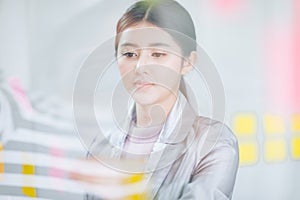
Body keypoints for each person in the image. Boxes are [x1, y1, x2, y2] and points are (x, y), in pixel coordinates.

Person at [72, 0, 239, 199]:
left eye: (158, 54)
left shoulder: (213, 142)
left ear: (187, 62)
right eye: (129, 54)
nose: (140, 66)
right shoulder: (101, 147)